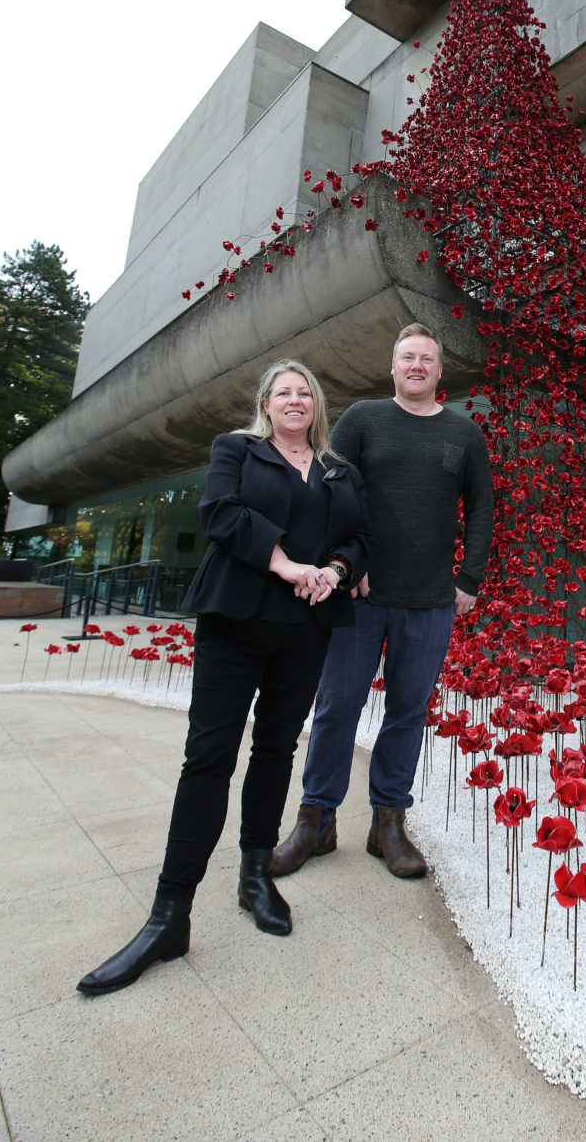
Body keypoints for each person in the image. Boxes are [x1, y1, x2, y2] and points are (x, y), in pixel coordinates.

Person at [76, 359, 371, 995]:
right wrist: (288, 565)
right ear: (266, 404)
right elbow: (221, 513)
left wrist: (335, 572)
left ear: (317, 406)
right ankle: (169, 916)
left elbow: (359, 539)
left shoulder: (339, 471)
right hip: (236, 620)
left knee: (275, 753)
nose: (295, 400)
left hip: (307, 629)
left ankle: (255, 876)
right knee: (208, 760)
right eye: (283, 392)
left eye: (305, 393)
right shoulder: (235, 450)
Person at [273, 322, 494, 880]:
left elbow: (482, 509)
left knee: (407, 713)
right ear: (392, 367)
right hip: (360, 599)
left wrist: (469, 579)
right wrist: (348, 564)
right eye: (407, 357)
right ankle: (316, 821)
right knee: (337, 708)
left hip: (430, 600)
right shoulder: (363, 420)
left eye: (426, 359)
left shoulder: (464, 433)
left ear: (439, 370)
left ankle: (388, 825)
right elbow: (327, 493)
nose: (417, 366)